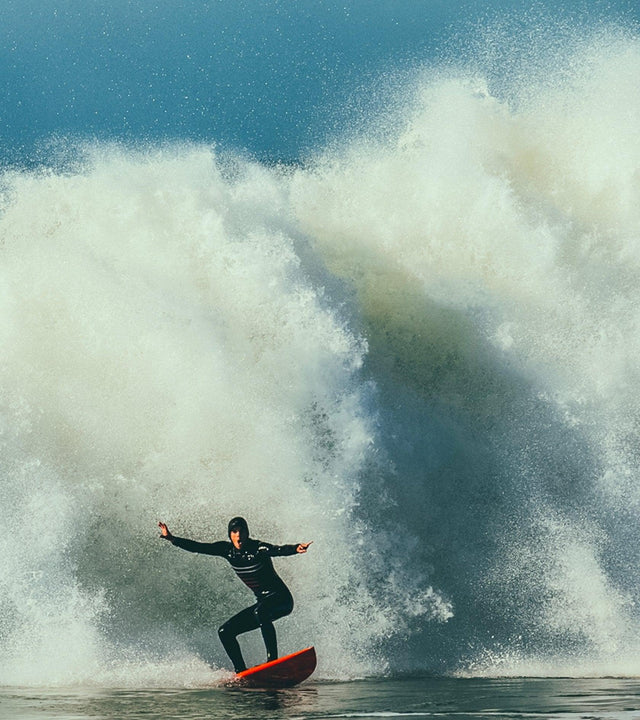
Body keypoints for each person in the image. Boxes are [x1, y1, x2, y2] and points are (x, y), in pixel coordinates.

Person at [158, 516, 312, 673]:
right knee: (225, 632)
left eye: (242, 531)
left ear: (247, 533)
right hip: (263, 604)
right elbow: (199, 547)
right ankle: (241, 671)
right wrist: (172, 538)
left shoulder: (258, 548)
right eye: (234, 531)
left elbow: (277, 549)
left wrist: (295, 548)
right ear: (229, 534)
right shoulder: (227, 551)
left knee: (261, 612)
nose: (238, 535)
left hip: (282, 600)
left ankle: (273, 661)